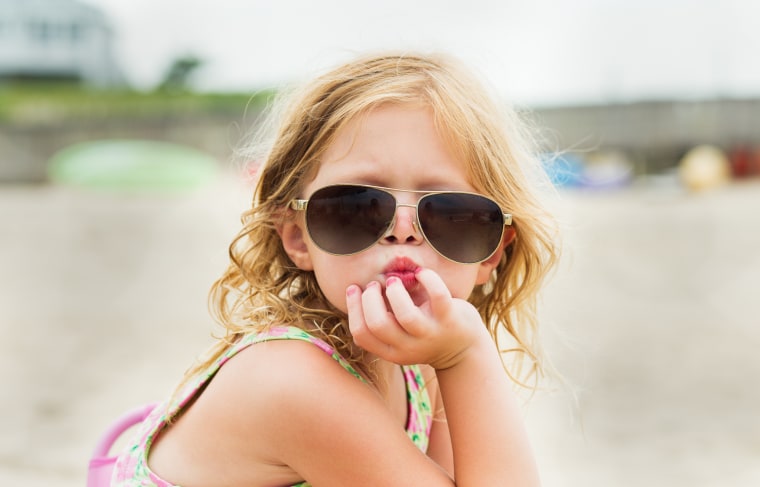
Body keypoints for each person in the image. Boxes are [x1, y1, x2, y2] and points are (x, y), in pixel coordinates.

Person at [111, 51, 560, 486]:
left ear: (492, 252)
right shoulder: (292, 382)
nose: (402, 230)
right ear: (297, 237)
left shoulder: (424, 360)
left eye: (449, 213)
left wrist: (455, 359)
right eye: (358, 205)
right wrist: (467, 358)